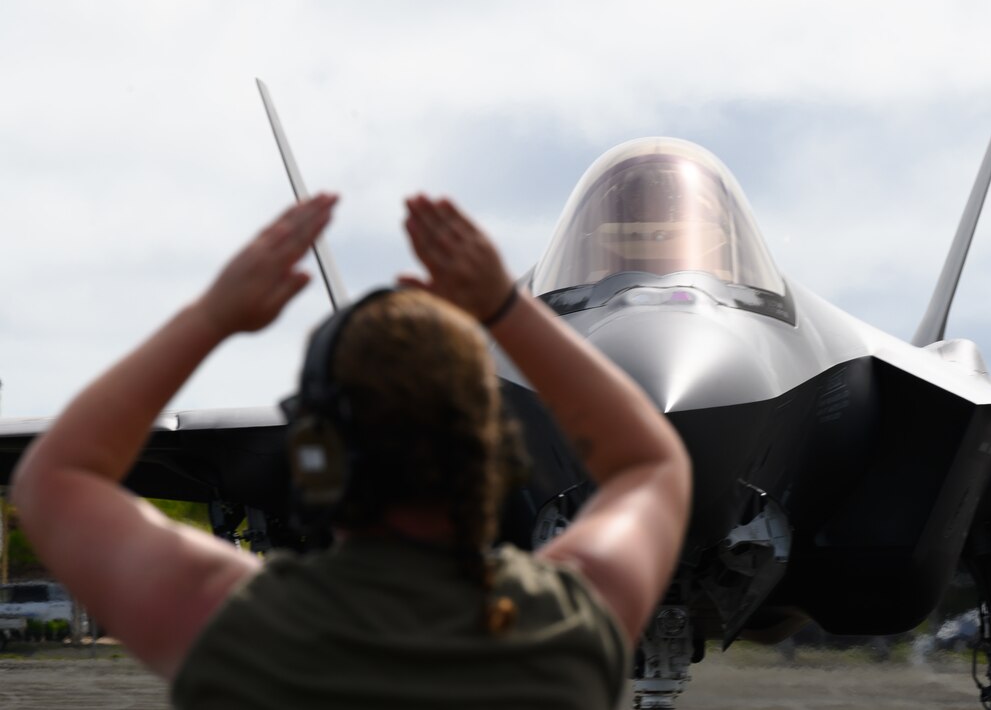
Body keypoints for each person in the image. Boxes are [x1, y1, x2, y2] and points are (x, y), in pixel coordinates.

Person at [12, 192, 692, 708]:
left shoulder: (239, 628)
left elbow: (56, 477)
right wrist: (506, 312)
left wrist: (214, 315)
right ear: (491, 453)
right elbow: (651, 464)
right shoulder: (564, 628)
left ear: (313, 457)